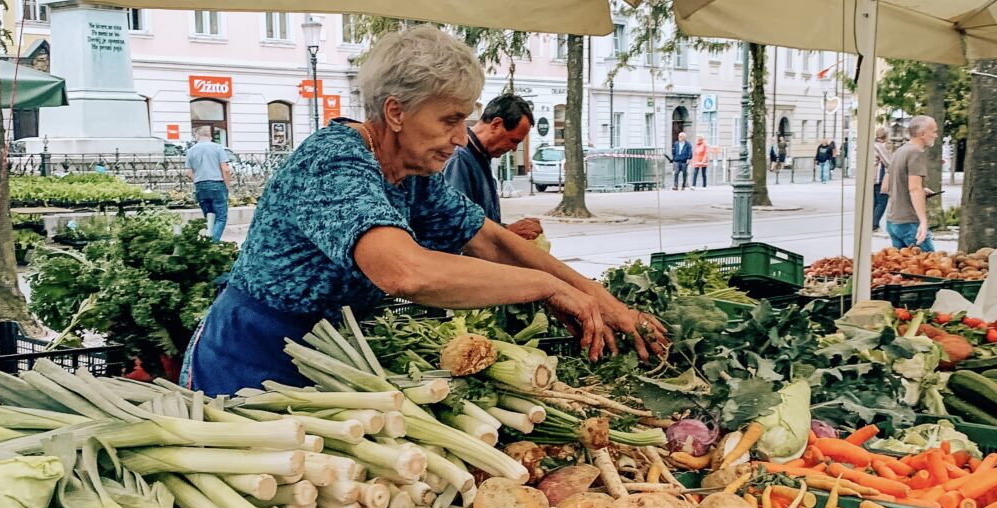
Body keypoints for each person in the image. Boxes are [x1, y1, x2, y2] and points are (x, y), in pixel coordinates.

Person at [180, 26, 668, 397]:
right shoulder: (333, 162)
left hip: (331, 359)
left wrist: (600, 298)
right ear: (396, 112)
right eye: (451, 120)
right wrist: (547, 288)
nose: (461, 138)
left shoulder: (414, 176)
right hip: (252, 356)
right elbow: (403, 271)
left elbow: (492, 240)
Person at [443, 94, 541, 240]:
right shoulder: (460, 159)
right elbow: (455, 224)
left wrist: (508, 230)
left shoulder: (481, 156)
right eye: (514, 140)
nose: (514, 149)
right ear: (496, 124)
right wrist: (508, 231)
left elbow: (481, 221)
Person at [882, 115, 938, 252]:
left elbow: (885, 187)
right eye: (934, 131)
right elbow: (914, 188)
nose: (936, 136)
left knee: (904, 269)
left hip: (893, 220)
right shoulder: (915, 153)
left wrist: (920, 190)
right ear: (923, 134)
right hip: (909, 222)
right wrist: (923, 222)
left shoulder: (899, 151)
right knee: (930, 268)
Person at [186, 129, 231, 242]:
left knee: (209, 217)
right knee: (221, 217)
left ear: (198, 136)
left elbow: (189, 173)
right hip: (217, 183)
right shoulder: (217, 147)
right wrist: (226, 185)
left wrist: (198, 180)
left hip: (200, 185)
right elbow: (225, 169)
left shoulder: (191, 150)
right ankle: (212, 242)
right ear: (210, 136)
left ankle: (207, 240)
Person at [872, 127, 892, 233]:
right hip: (879, 176)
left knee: (875, 201)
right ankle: (874, 224)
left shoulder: (872, 145)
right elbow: (888, 161)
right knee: (882, 201)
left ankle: (872, 223)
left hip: (871, 177)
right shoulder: (879, 147)